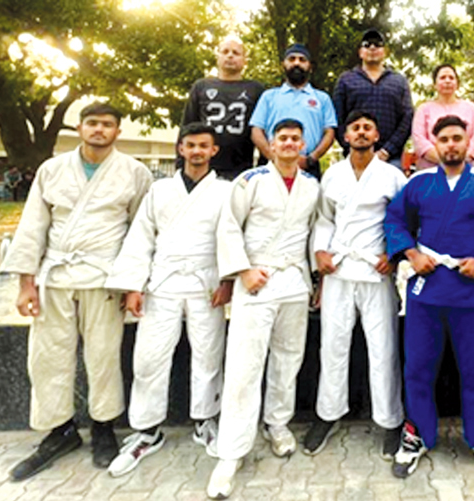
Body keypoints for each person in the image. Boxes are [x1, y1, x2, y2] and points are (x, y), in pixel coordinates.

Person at [0, 102, 153, 480]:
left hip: (104, 277)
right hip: (56, 275)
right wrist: (25, 283)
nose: (99, 130)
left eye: (107, 125)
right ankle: (59, 430)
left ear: (118, 131)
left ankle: (104, 427)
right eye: (92, 123)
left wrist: (132, 282)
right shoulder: (52, 170)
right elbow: (33, 225)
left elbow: (141, 232)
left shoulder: (135, 173)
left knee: (103, 356)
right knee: (48, 356)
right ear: (80, 128)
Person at [384, 115, 474, 485]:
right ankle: (417, 432)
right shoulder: (418, 183)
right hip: (426, 288)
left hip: (470, 288)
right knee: (418, 366)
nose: (450, 145)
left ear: (468, 142)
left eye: (457, 138)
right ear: (433, 144)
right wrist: (411, 255)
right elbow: (395, 221)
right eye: (443, 139)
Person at [104, 123, 233, 476]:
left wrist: (227, 280)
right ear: (180, 149)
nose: (196, 151)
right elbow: (141, 238)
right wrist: (133, 285)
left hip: (206, 281)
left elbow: (231, 238)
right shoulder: (160, 190)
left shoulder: (225, 191)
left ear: (213, 151)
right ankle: (147, 430)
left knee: (209, 354)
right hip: (162, 282)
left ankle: (206, 420)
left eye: (203, 146)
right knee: (149, 357)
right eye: (190, 145)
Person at [207, 119, 320, 499]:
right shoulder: (250, 180)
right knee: (244, 364)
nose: (289, 144)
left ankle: (277, 424)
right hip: (257, 279)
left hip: (294, 282)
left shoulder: (311, 186)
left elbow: (314, 233)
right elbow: (228, 228)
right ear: (270, 145)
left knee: (289, 358)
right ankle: (231, 452)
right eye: (282, 138)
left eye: (295, 139)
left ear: (303, 145)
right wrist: (243, 270)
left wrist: (315, 279)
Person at [303, 110, 407, 458]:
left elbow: (405, 219)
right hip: (339, 269)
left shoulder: (392, 176)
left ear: (376, 135)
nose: (362, 133)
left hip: (376, 269)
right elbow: (323, 219)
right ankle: (327, 414)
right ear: (345, 137)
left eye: (368, 127)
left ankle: (390, 420)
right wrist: (320, 253)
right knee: (332, 345)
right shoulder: (332, 175)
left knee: (383, 348)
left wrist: (393, 254)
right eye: (356, 128)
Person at [181, 36, 265, 180]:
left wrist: (262, 167)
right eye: (225, 51)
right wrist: (180, 164)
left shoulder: (256, 89)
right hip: (203, 167)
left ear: (245, 60)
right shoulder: (201, 86)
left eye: (236, 52)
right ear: (218, 57)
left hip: (240, 167)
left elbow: (262, 130)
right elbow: (187, 126)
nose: (230, 55)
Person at [250, 43, 336, 179]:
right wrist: (274, 158)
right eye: (292, 59)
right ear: (283, 64)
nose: (297, 63)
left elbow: (329, 132)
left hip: (308, 166)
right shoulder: (269, 96)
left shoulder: (322, 98)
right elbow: (256, 131)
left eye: (302, 60)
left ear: (310, 67)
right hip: (270, 165)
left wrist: (311, 159)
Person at [333, 29, 414, 168]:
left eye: (377, 44)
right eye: (367, 44)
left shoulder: (399, 81)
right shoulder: (346, 80)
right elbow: (337, 118)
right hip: (354, 157)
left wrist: (387, 151)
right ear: (360, 52)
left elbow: (407, 118)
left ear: (384, 51)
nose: (372, 48)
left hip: (391, 159)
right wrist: (351, 147)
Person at [411, 64, 474, 169]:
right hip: (432, 169)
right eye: (442, 78)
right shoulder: (424, 109)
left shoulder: (471, 108)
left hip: (466, 168)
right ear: (434, 85)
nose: (447, 81)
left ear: (457, 84)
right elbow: (419, 140)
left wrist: (461, 159)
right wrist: (445, 160)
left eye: (451, 78)